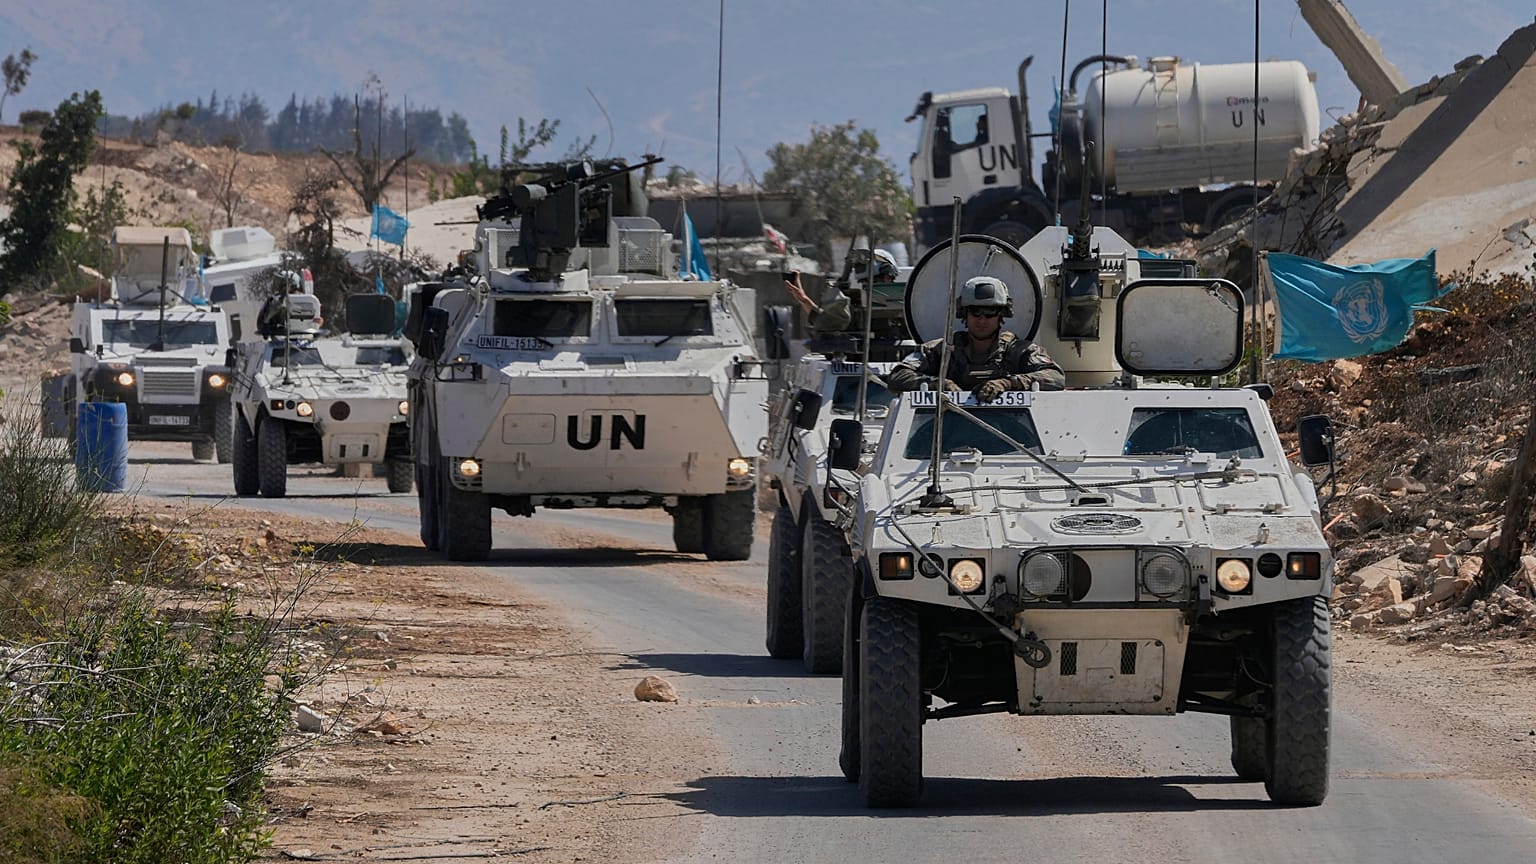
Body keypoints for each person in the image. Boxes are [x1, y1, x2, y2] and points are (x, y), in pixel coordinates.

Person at [886, 275, 1065, 400]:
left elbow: (1056, 377)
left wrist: (1009, 383)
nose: (982, 320)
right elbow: (897, 377)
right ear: (964, 314)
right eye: (975, 312)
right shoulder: (941, 350)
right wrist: (937, 383)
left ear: (1001, 315)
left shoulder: (1019, 351)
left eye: (990, 313)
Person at [782, 248, 898, 334]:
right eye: (865, 282)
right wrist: (803, 298)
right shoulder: (853, 302)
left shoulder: (903, 305)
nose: (866, 286)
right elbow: (825, 321)